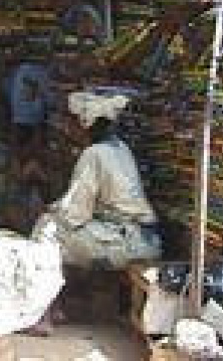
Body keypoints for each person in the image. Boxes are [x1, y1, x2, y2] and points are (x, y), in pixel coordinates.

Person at [30, 91, 162, 334]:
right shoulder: (121, 148)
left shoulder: (93, 154)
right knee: (54, 227)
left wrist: (51, 210)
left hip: (124, 242)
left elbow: (75, 214)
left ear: (85, 125)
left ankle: (43, 314)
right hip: (143, 239)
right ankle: (55, 308)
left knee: (46, 231)